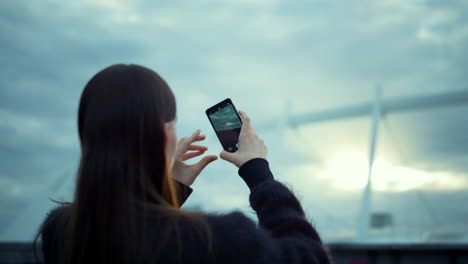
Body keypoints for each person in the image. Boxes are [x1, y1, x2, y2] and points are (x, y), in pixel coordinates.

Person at [35, 64, 332, 264]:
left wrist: (170, 189)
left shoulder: (61, 231)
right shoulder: (218, 238)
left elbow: (136, 235)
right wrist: (259, 172)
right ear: (166, 134)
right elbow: (309, 256)